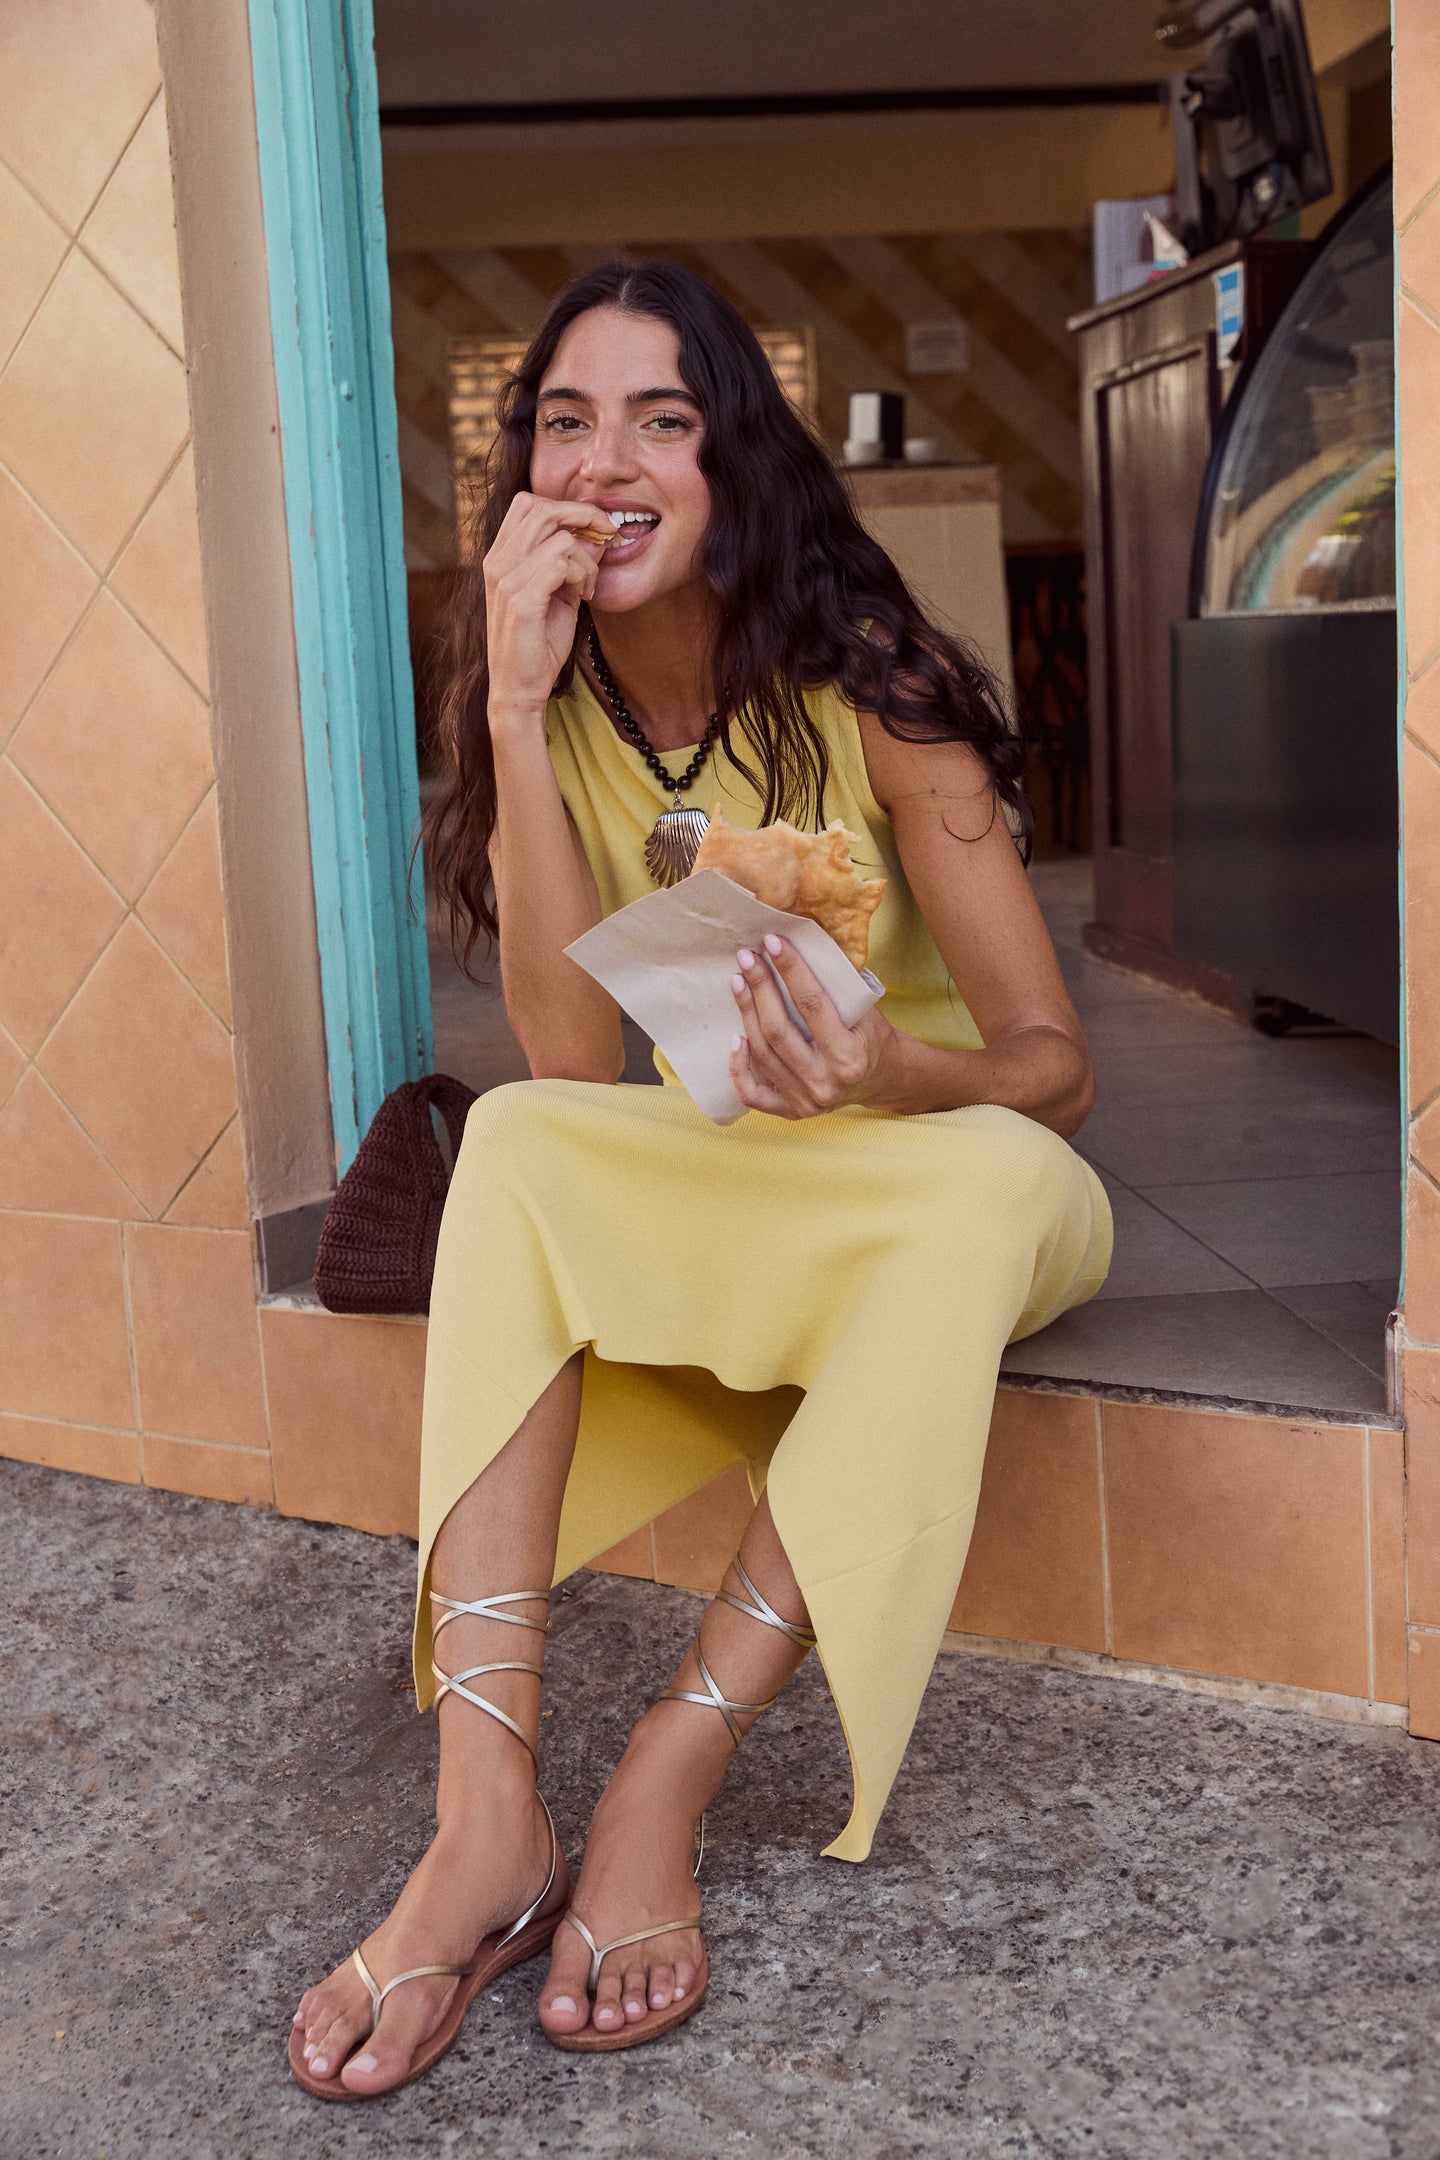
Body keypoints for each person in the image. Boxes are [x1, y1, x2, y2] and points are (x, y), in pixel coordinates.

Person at [289, 259, 1111, 2096]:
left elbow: (1055, 1070)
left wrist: (893, 1068)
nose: (607, 460)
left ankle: (674, 1756)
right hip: (731, 1168)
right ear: (525, 491)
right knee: (511, 1136)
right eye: (564, 422)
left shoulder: (877, 690)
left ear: (736, 462)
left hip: (943, 1174)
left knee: (976, 1182)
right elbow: (579, 1075)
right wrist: (508, 708)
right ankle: (486, 1810)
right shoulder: (549, 699)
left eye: (665, 418)